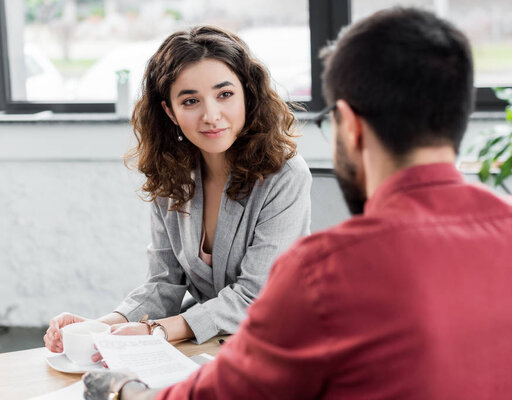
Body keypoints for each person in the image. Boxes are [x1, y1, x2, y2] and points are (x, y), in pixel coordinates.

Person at [82, 7, 512, 400]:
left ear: (348, 124)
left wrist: (122, 389)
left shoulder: (325, 269)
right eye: (190, 100)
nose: (211, 114)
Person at [43, 26, 312, 354]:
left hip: (282, 344)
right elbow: (164, 283)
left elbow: (255, 295)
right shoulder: (172, 174)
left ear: (247, 94)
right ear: (170, 111)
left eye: (224, 94)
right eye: (190, 101)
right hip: (211, 346)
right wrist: (100, 326)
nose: (211, 115)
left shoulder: (284, 175)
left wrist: (155, 330)